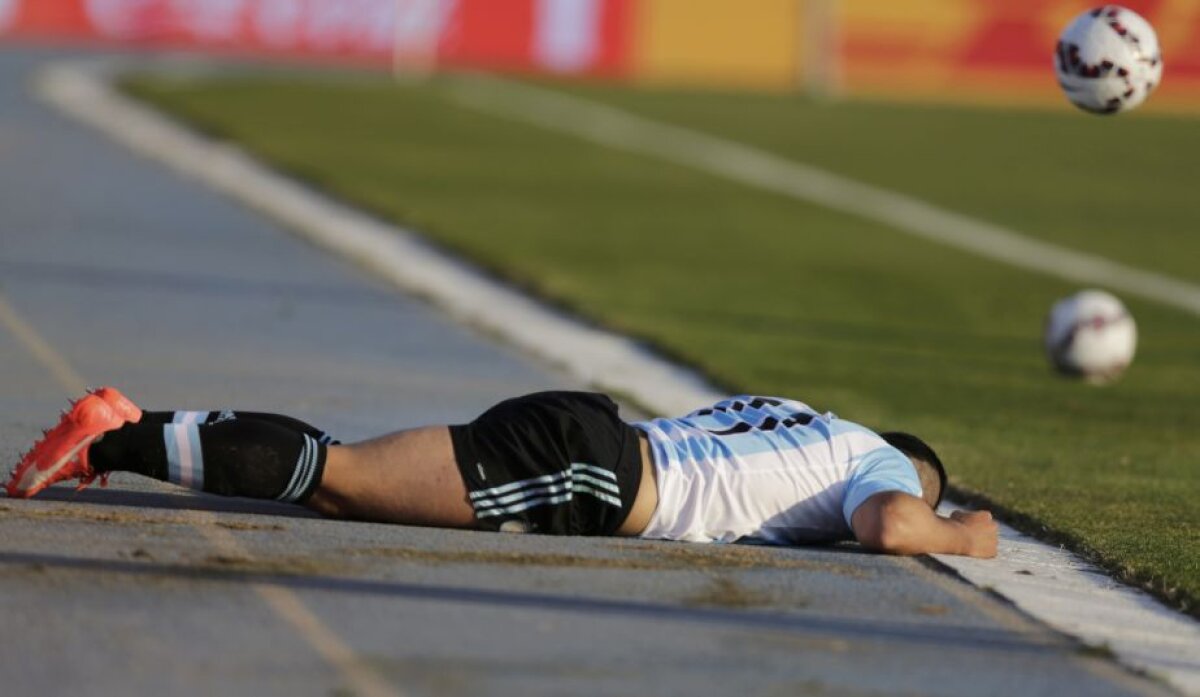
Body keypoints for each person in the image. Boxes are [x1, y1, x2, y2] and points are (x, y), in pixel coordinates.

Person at [6, 387, 999, 558]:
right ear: (915, 466)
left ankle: (127, 431)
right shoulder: (880, 463)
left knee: (336, 472)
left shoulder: (809, 422)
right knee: (338, 479)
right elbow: (891, 528)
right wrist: (963, 531)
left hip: (584, 435)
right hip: (588, 475)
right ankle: (119, 437)